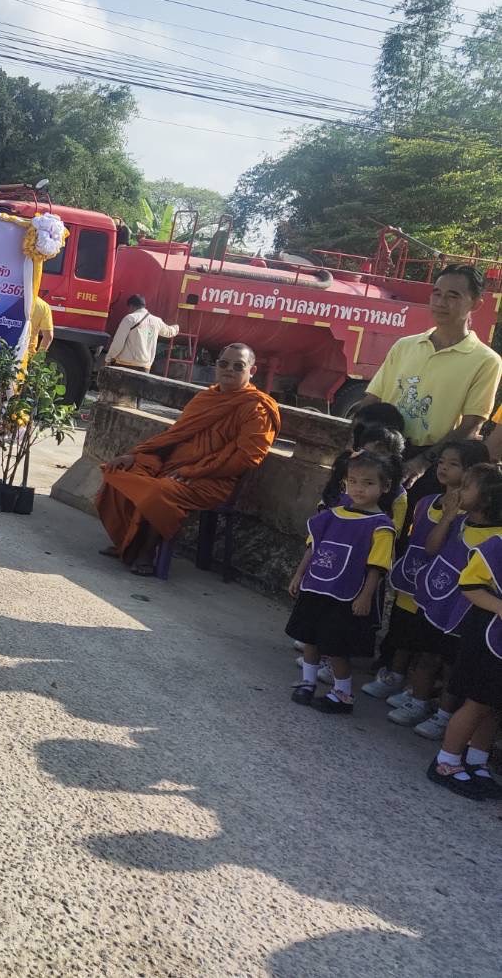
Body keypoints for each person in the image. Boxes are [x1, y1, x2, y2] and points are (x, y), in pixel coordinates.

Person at [97, 343, 280, 576]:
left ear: (251, 371)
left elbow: (247, 458)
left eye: (238, 366)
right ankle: (126, 542)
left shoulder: (257, 408)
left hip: (213, 479)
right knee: (119, 471)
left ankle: (146, 552)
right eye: (223, 363)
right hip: (174, 467)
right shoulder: (205, 397)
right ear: (216, 366)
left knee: (160, 491)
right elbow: (175, 435)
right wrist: (134, 454)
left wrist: (194, 471)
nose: (229, 370)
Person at [352, 264, 501, 490]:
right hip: (382, 452)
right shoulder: (405, 346)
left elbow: (470, 425)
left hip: (431, 464)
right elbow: (372, 399)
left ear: (476, 303)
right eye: (437, 293)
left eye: (453, 296)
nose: (441, 302)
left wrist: (422, 463)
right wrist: (353, 443)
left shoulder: (486, 360)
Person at [369, 439, 490, 709]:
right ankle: (395, 677)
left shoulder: (468, 517)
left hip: (442, 591)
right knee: (403, 633)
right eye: (441, 462)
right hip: (411, 580)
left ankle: (423, 697)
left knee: (433, 650)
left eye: (454, 464)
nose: (443, 468)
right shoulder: (425, 502)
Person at [387, 457, 502, 739]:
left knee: (452, 667)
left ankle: (443, 716)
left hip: (464, 612)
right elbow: (431, 547)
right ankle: (419, 699)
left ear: (486, 499)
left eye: (466, 487)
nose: (458, 492)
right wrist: (448, 517)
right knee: (426, 654)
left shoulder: (496, 537)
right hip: (437, 600)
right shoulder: (458, 522)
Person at [286, 450, 399, 714]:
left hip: (347, 595)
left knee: (336, 647)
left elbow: (377, 567)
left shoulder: (381, 526)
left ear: (385, 486)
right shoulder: (332, 514)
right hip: (317, 586)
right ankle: (308, 681)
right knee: (310, 638)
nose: (359, 488)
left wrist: (365, 597)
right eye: (353, 481)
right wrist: (299, 574)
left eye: (368, 483)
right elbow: (313, 547)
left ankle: (343, 693)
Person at [426, 463, 502, 800]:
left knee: (493, 704)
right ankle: (446, 760)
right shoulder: (497, 545)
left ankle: (477, 760)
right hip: (487, 634)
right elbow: (469, 584)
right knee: (475, 702)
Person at [103, 295, 178, 372]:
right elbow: (169, 332)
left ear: (131, 306)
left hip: (124, 364)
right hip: (144, 367)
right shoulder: (157, 321)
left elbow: (118, 342)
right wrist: (176, 328)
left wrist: (108, 358)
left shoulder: (130, 318)